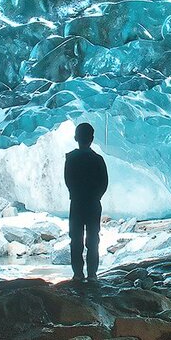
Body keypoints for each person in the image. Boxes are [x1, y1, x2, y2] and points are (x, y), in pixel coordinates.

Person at [64, 121, 108, 282]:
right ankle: (92, 275)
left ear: (76, 138)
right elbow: (104, 182)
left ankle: (77, 274)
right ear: (92, 138)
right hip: (93, 203)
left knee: (75, 239)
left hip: (76, 202)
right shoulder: (97, 159)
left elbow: (68, 180)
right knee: (93, 239)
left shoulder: (71, 158)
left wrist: (76, 194)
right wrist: (95, 196)